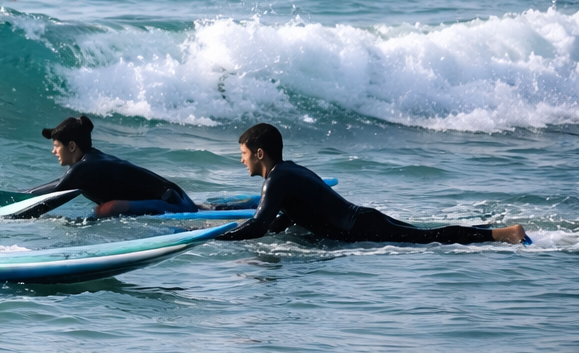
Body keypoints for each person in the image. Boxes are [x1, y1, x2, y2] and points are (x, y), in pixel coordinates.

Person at [215, 123, 527, 245]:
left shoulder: (276, 180)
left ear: (259, 153)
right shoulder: (288, 172)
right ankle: (490, 229)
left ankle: (502, 234)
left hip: (361, 228)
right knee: (427, 234)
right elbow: (283, 218)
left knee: (430, 238)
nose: (242, 161)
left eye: (243, 155)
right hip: (363, 220)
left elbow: (258, 225)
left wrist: (216, 239)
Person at [28, 115, 199, 216]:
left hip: (172, 202)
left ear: (72, 146)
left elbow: (54, 196)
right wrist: (23, 194)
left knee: (108, 209)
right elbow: (59, 184)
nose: (53, 151)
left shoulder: (84, 167)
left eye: (56, 146)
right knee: (106, 210)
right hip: (175, 196)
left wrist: (15, 216)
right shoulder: (89, 162)